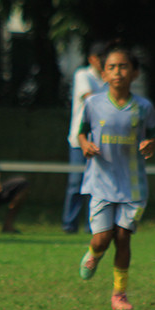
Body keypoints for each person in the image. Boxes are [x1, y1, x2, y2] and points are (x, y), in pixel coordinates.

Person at [77, 43, 155, 310]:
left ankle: (119, 294)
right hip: (101, 182)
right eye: (111, 67)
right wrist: (84, 144)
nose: (117, 72)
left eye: (123, 67)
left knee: (123, 236)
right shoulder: (93, 103)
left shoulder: (143, 107)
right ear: (103, 74)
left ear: (135, 73)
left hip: (133, 186)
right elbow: (81, 131)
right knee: (103, 238)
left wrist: (151, 143)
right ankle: (94, 253)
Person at [62, 42, 107, 233]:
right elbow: (91, 99)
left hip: (101, 142)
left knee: (97, 186)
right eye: (101, 58)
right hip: (79, 142)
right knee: (76, 183)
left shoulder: (108, 80)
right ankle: (69, 225)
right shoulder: (83, 75)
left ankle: (94, 226)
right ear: (92, 59)